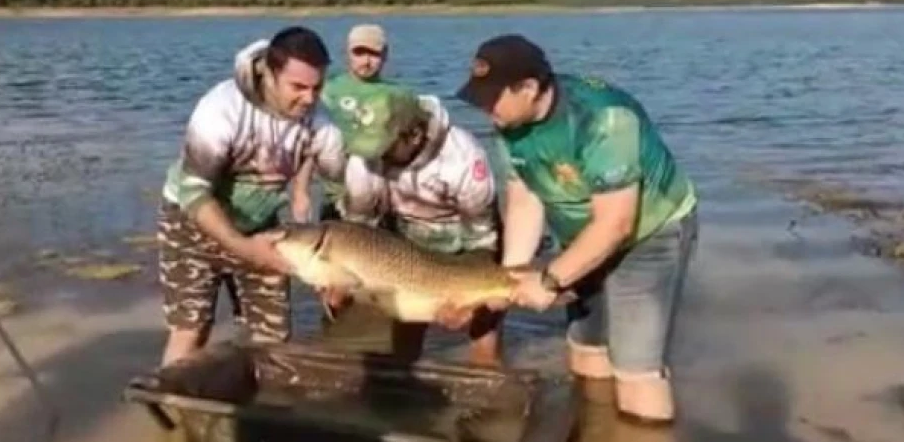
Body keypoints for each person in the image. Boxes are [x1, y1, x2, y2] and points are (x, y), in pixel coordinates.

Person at [454, 34, 699, 425]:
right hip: (579, 234)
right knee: (586, 352)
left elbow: (616, 224)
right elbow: (524, 201)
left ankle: (645, 429)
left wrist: (549, 282)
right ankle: (599, 429)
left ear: (530, 88)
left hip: (649, 235)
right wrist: (509, 280)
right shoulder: (507, 123)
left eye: (492, 95)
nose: (484, 106)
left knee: (636, 372)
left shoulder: (603, 118)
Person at [155, 26, 344, 366]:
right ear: (269, 74)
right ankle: (175, 411)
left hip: (261, 226)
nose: (309, 99)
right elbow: (195, 192)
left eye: (318, 87)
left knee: (273, 339)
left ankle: (257, 410)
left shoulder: (322, 126)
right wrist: (242, 249)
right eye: (298, 87)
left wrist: (335, 266)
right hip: (191, 220)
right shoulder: (221, 109)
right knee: (191, 329)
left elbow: (339, 189)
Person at [323, 83, 506, 367]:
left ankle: (491, 399)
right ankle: (406, 399)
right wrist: (340, 277)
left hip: (470, 241)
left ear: (414, 134)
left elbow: (481, 242)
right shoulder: (365, 159)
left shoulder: (463, 158)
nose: (376, 156)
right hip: (408, 240)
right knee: (404, 334)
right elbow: (359, 230)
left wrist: (466, 300)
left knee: (483, 336)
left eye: (384, 148)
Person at [298, 23, 391, 222]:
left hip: (381, 201)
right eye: (359, 53)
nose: (366, 61)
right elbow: (307, 145)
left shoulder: (397, 95)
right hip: (336, 200)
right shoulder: (326, 90)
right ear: (347, 52)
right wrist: (301, 191)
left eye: (373, 54)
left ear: (385, 55)